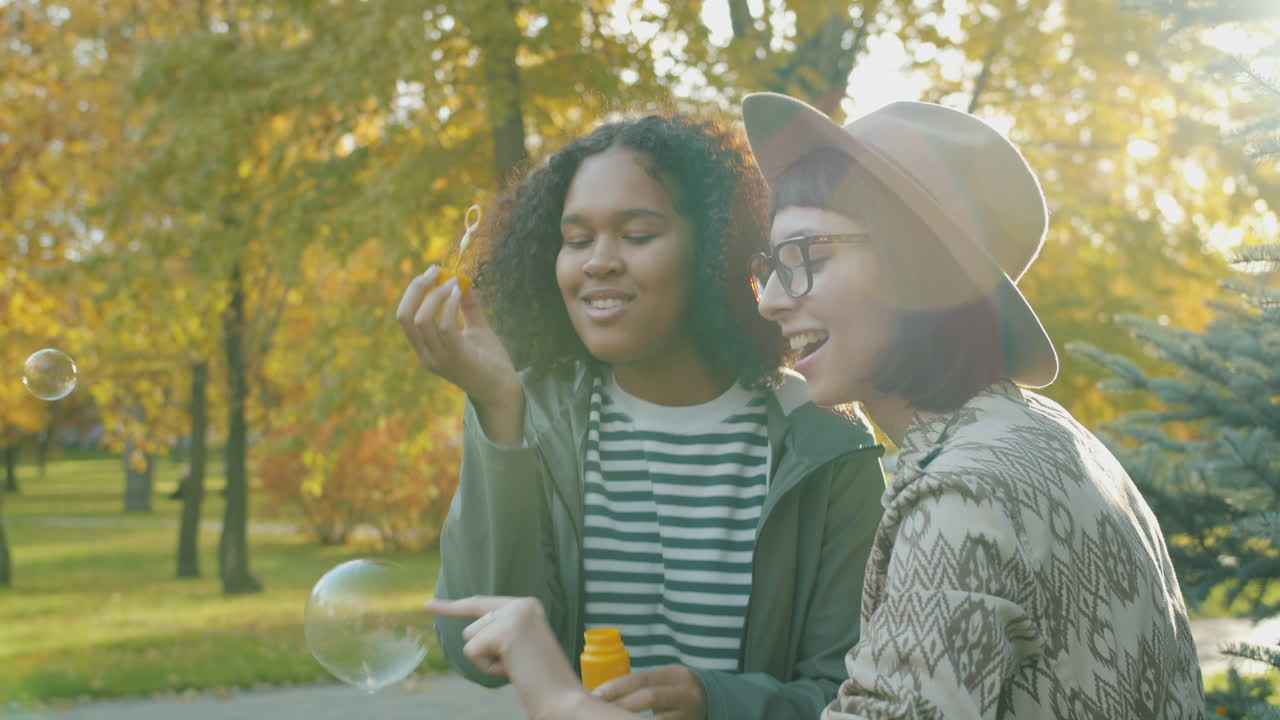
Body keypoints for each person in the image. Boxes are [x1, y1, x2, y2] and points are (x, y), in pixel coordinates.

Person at [432, 94, 1206, 719]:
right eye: (772, 263)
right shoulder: (1039, 439)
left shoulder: (962, 491)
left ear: (919, 272)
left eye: (806, 258)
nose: (768, 299)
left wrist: (559, 694)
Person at [402, 112, 886, 720]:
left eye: (637, 234)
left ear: (714, 247)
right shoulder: (531, 414)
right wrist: (498, 410)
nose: (598, 262)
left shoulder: (822, 437)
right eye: (576, 241)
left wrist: (717, 701)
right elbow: (476, 654)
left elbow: (851, 695)